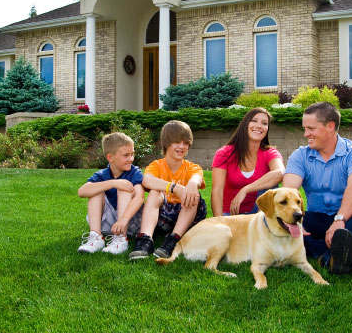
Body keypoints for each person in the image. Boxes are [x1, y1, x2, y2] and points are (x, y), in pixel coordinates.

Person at [282, 102, 352, 274]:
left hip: (348, 216)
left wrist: (339, 220)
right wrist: (296, 222)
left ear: (330, 126)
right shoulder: (300, 156)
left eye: (311, 128)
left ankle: (332, 256)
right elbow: (289, 191)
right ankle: (327, 254)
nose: (306, 134)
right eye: (304, 128)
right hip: (316, 217)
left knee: (348, 231)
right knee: (291, 227)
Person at [129, 120, 207, 260]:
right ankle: (145, 240)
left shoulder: (192, 167)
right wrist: (174, 187)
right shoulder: (156, 166)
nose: (182, 146)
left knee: (194, 195)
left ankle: (173, 240)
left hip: (188, 216)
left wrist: (192, 185)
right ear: (166, 143)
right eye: (177, 142)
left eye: (185, 143)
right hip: (163, 216)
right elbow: (147, 180)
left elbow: (197, 178)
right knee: (154, 192)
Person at [77, 132, 145, 254]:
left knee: (124, 187)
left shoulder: (134, 172)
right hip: (108, 223)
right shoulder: (102, 174)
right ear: (110, 158)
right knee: (94, 190)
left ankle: (121, 239)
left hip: (130, 222)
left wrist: (123, 220)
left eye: (132, 154)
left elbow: (140, 197)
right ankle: (96, 237)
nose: (131, 159)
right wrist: (113, 183)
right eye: (126, 155)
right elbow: (82, 192)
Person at [211, 107, 284, 216]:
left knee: (271, 185)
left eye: (264, 123)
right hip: (230, 214)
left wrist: (245, 189)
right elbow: (217, 191)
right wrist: (219, 221)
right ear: (245, 124)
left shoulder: (269, 152)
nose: (259, 126)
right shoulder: (224, 153)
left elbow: (280, 173)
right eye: (254, 121)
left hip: (257, 213)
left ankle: (260, 226)